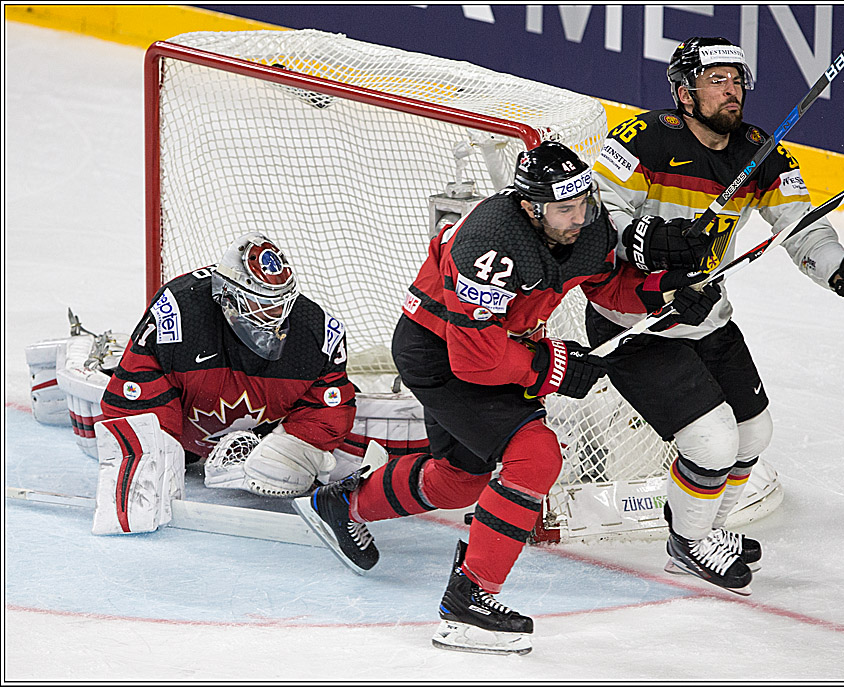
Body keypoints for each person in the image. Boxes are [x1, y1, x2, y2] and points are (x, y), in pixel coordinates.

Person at [292, 141, 720, 655]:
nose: (579, 218)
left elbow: (606, 286)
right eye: (565, 210)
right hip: (438, 352)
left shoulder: (584, 223)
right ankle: (468, 604)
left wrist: (666, 291)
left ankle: (345, 504)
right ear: (529, 206)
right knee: (535, 454)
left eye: (583, 203)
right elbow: (474, 361)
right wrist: (555, 368)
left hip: (493, 347)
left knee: (459, 481)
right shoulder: (490, 243)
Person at [588, 37, 844, 595]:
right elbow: (595, 216)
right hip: (635, 321)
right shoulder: (641, 139)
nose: (731, 89)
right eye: (716, 80)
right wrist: (650, 241)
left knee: (752, 432)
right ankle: (687, 545)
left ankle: (706, 528)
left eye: (736, 79)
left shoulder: (762, 151)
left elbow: (801, 227)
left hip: (705, 314)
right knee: (712, 444)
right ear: (684, 91)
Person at [95, 233, 356, 535]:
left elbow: (326, 410)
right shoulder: (179, 314)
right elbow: (137, 400)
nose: (272, 318)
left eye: (280, 306)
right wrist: (152, 458)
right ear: (226, 294)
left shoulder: (318, 334)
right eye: (259, 305)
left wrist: (296, 447)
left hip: (256, 438)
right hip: (185, 440)